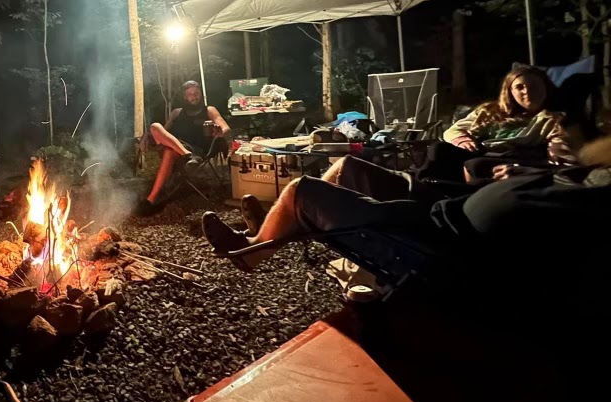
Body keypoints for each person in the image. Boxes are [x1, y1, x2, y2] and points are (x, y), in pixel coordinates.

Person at [202, 140, 610, 274]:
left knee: (300, 188)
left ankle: (258, 248)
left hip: (441, 236)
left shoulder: (587, 190)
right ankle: (277, 226)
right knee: (345, 166)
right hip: (443, 202)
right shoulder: (578, 174)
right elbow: (467, 165)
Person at [419, 65, 575, 183]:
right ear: (510, 92)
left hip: (515, 156)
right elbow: (453, 130)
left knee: (475, 165)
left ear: (546, 88)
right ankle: (423, 188)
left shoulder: (554, 119)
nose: (527, 92)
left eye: (534, 86)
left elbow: (561, 156)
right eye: (519, 87)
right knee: (438, 149)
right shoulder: (490, 111)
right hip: (480, 150)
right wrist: (463, 140)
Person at [135, 80, 231, 215]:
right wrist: (147, 134)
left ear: (201, 95)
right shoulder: (176, 113)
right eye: (190, 94)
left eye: (196, 93)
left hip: (198, 150)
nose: (194, 96)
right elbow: (163, 133)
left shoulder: (209, 110)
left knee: (169, 152)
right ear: (185, 97)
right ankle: (187, 155)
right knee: (155, 126)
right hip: (183, 150)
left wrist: (220, 132)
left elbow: (225, 127)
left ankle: (150, 200)